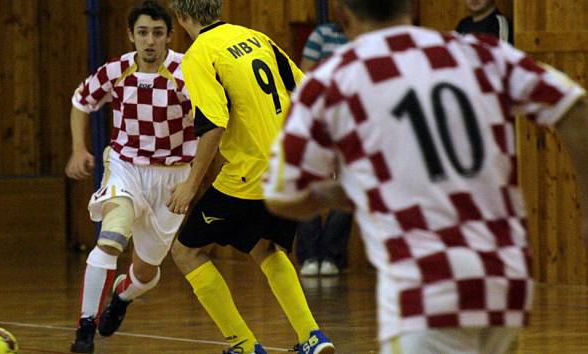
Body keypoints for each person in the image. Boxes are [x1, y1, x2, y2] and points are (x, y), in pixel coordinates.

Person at [264, 1, 587, 354]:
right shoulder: (479, 52)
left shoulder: (333, 78)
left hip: (426, 289)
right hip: (504, 280)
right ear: (413, 7)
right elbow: (574, 107)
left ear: (341, 13)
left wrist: (341, 192)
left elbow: (282, 194)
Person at [167, 1, 334, 354]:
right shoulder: (254, 37)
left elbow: (213, 125)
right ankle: (313, 337)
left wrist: (189, 186)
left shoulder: (199, 55)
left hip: (251, 173)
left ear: (181, 18)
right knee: (267, 247)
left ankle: (243, 344)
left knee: (186, 251)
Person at [66, 1, 196, 352]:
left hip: (173, 178)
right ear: (131, 35)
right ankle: (85, 328)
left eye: (157, 33)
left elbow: (214, 123)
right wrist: (79, 149)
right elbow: (81, 101)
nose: (149, 41)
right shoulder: (116, 70)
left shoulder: (189, 73)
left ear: (169, 36)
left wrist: (193, 180)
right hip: (125, 167)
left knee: (145, 272)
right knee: (111, 238)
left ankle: (123, 297)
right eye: (142, 33)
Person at [296, 3, 353, 278]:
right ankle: (308, 255)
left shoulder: (365, 38)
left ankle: (332, 255)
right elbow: (303, 77)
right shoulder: (322, 34)